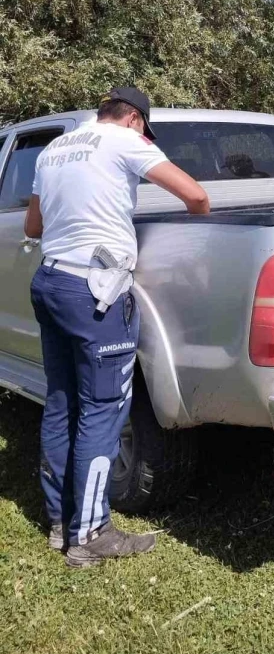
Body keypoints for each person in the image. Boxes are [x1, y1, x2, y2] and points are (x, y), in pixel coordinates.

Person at [24, 87, 210, 568]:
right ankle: (90, 534)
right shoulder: (127, 141)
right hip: (95, 291)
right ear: (134, 120)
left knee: (62, 401)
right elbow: (196, 195)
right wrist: (201, 230)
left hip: (50, 281)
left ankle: (61, 521)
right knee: (104, 408)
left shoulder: (56, 147)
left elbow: (32, 227)